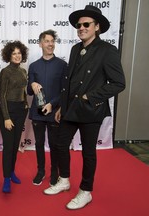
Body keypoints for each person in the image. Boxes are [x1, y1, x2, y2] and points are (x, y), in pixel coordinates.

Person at [43, 5, 125, 210]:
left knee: (88, 153)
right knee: (60, 145)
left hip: (91, 110)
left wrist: (91, 96)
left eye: (86, 24)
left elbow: (119, 83)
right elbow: (70, 82)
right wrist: (62, 105)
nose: (81, 28)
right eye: (79, 25)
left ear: (97, 27)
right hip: (71, 108)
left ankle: (85, 191)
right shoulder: (74, 49)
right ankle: (64, 180)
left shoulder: (107, 51)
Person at [27, 30, 67, 186]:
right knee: (38, 143)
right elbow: (29, 91)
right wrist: (32, 84)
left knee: (54, 144)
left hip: (54, 111)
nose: (50, 44)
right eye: (47, 41)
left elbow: (65, 90)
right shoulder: (33, 66)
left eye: (52, 41)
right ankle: (40, 171)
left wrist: (53, 104)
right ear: (40, 44)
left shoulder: (63, 65)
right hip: (38, 112)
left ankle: (55, 172)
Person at [0, 41, 29, 193]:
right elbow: (2, 95)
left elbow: (22, 89)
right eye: (14, 53)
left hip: (20, 110)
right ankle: (6, 179)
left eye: (19, 53)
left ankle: (11, 172)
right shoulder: (5, 72)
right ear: (9, 55)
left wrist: (25, 104)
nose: (17, 56)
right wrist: (6, 117)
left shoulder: (23, 71)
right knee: (8, 146)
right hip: (7, 111)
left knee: (15, 145)